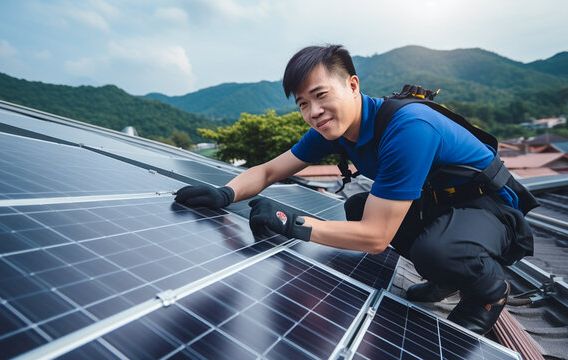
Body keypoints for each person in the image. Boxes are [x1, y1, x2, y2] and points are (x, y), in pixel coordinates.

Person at [174, 44, 536, 335]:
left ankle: (488, 292)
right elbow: (270, 169)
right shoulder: (334, 129)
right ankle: (444, 278)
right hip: (442, 206)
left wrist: (287, 220)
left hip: (491, 212)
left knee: (432, 248)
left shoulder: (408, 128)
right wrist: (225, 193)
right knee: (360, 207)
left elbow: (376, 238)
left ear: (352, 85)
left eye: (320, 95)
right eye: (303, 104)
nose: (314, 112)